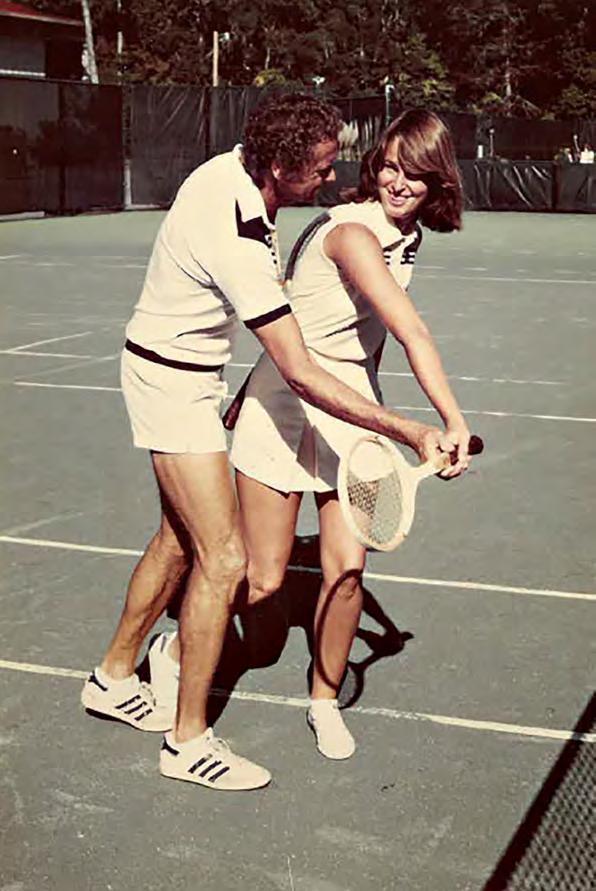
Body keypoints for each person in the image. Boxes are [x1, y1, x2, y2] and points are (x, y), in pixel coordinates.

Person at [80, 95, 457, 792]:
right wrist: (408, 428)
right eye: (320, 167)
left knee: (180, 540)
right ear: (280, 167)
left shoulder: (236, 174)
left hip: (195, 376)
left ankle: (113, 676)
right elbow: (300, 369)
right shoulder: (244, 237)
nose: (332, 176)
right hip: (172, 382)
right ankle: (187, 742)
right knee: (227, 561)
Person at [228, 109, 472, 760]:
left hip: (350, 411)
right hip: (285, 402)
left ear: (437, 180)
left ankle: (324, 701)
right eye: (389, 167)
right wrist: (449, 420)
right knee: (264, 580)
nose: (398, 182)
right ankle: (181, 646)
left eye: (414, 172)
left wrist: (388, 405)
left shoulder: (406, 235)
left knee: (347, 569)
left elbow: (371, 340)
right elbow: (410, 330)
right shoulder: (354, 235)